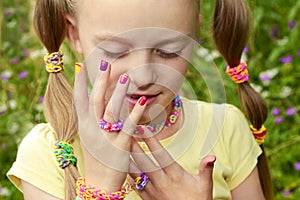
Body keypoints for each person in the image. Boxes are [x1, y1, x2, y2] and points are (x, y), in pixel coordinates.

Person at [7, 0, 274, 199]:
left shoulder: (225, 128)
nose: (144, 75)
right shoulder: (48, 153)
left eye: (168, 51)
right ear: (73, 34)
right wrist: (99, 188)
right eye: (115, 51)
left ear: (194, 36)